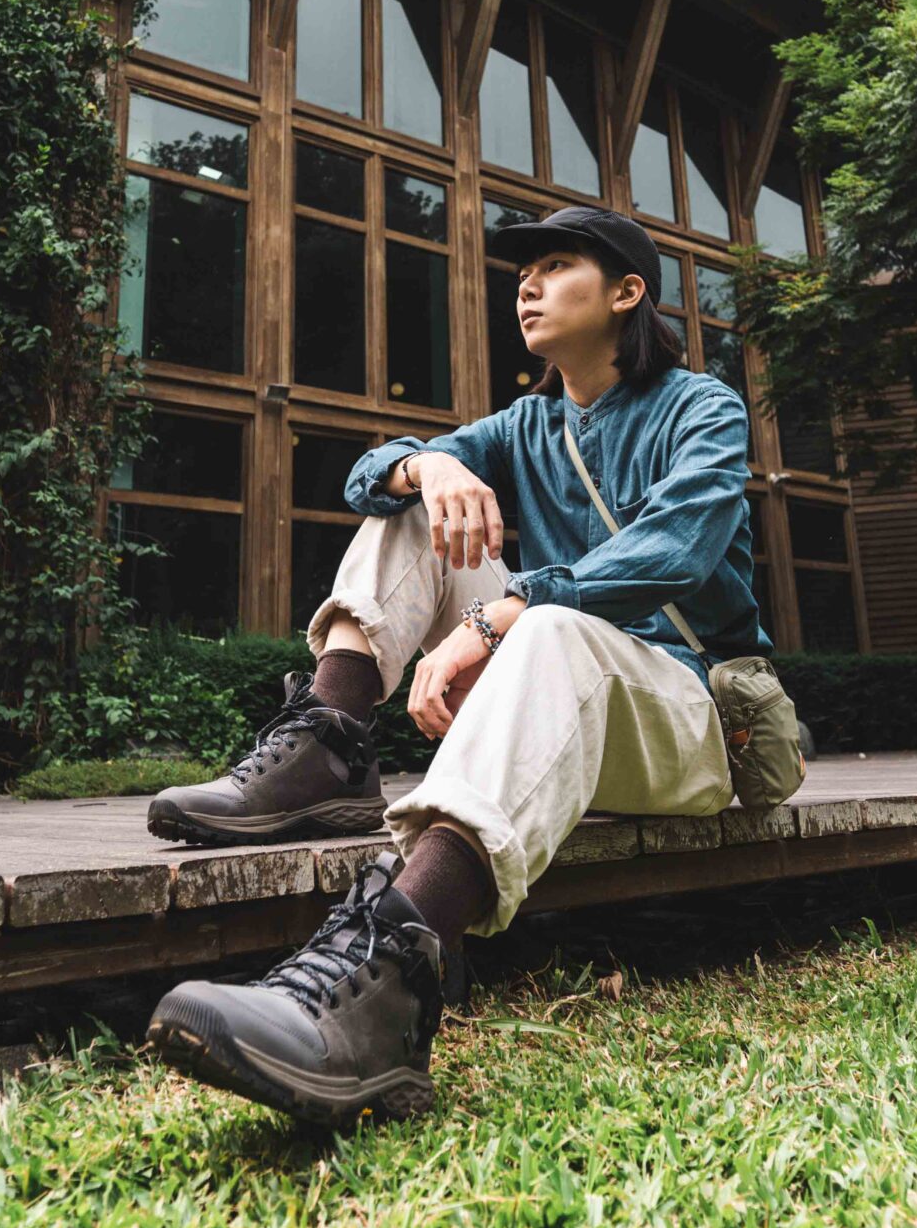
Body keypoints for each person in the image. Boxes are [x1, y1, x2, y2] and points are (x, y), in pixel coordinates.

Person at [144, 204, 765, 1124]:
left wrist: (506, 611)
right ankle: (330, 744)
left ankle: (388, 987)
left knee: (549, 627)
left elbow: (676, 549)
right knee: (414, 503)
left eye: (556, 266)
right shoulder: (527, 423)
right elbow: (368, 476)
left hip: (689, 713)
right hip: (566, 688)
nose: (527, 285)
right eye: (523, 272)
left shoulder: (703, 408)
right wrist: (428, 469)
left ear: (627, 292)